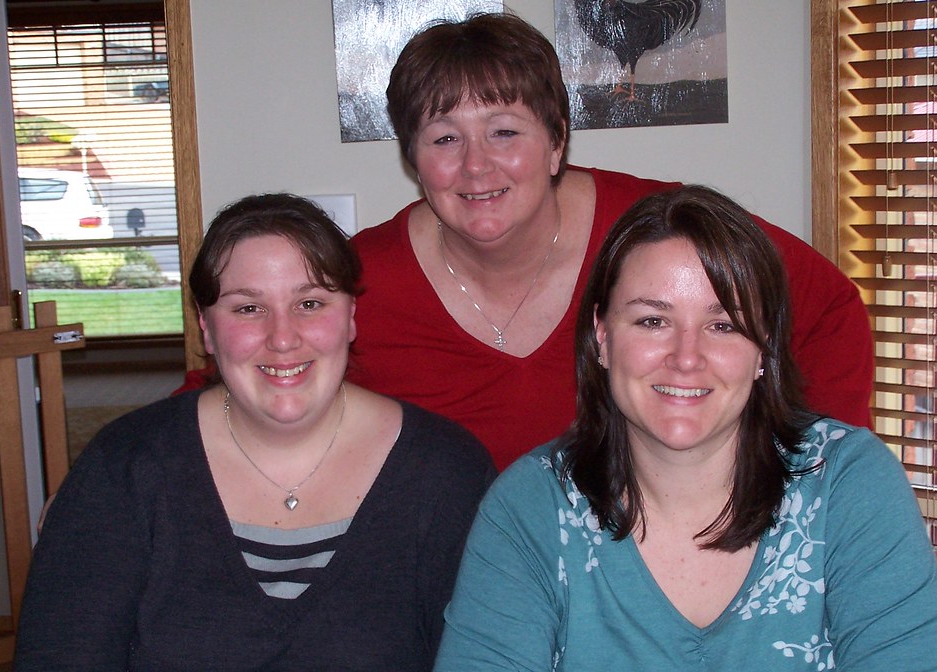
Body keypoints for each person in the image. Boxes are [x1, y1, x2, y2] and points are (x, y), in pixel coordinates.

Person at [419, 186, 937, 672]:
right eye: (653, 320)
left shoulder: (847, 483)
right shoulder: (531, 505)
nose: (686, 357)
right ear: (602, 338)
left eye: (724, 325)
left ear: (764, 351)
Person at [11, 194, 496, 672]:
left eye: (311, 302)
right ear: (205, 329)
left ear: (352, 318)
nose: (283, 337)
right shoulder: (125, 469)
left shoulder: (445, 474)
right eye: (247, 308)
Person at [346, 12, 874, 470]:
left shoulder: (658, 232)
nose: (476, 164)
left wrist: (807, 480)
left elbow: (826, 309)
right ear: (414, 159)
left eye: (504, 131)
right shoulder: (356, 282)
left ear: (556, 142)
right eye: (444, 138)